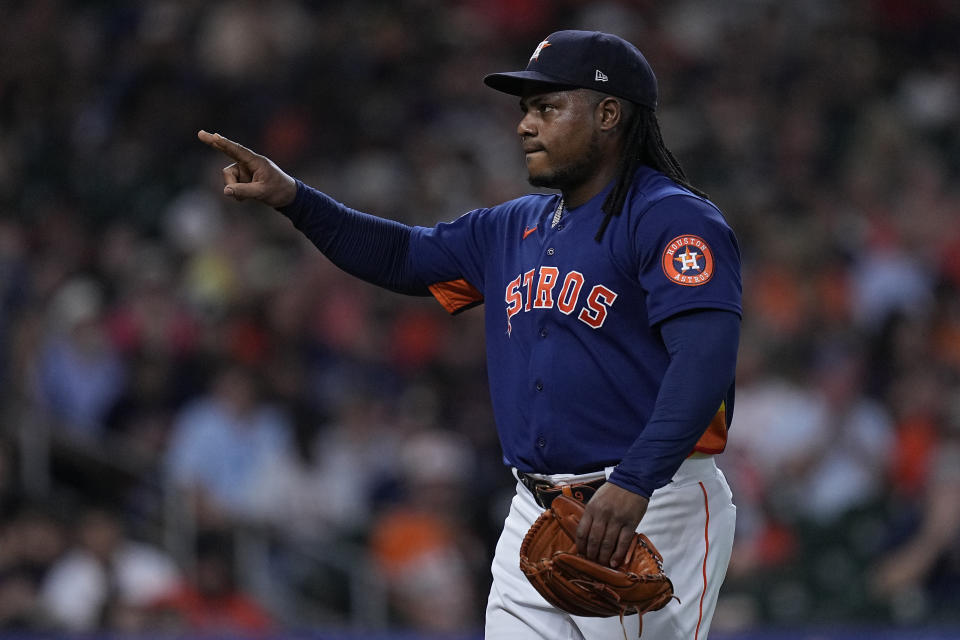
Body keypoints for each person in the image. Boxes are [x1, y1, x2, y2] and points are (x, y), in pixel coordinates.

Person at [199, 29, 741, 640]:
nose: (525, 126)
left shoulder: (671, 217)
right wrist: (294, 199)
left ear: (609, 114)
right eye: (525, 110)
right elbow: (404, 257)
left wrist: (635, 482)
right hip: (535, 511)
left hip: (648, 502)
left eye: (547, 107)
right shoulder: (513, 226)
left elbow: (705, 362)